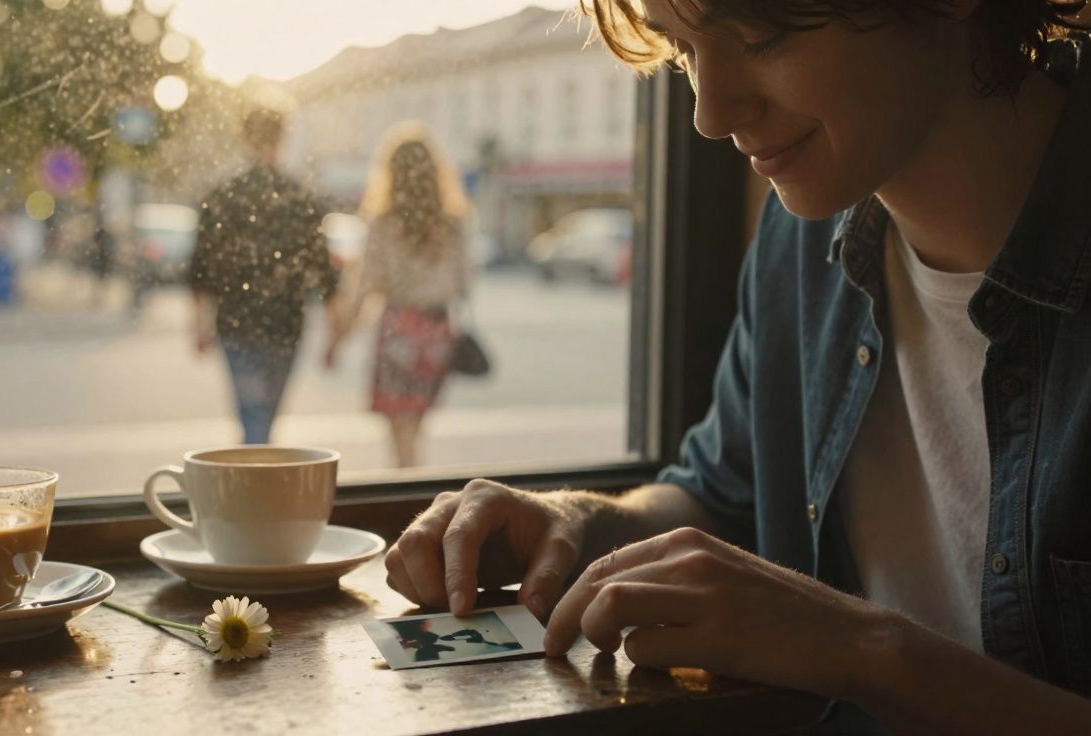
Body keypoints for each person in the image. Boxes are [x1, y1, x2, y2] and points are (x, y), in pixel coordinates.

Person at [384, 1, 1091, 732]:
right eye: (683, 51)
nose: (710, 114)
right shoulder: (801, 237)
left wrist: (865, 650)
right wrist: (575, 524)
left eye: (765, 35)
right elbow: (724, 499)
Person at [324, 123, 471, 468]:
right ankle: (414, 488)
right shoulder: (454, 222)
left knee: (400, 436)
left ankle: (409, 501)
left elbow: (362, 289)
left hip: (398, 331)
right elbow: (464, 283)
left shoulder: (384, 222)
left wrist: (337, 339)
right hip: (437, 332)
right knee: (415, 429)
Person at [189, 107, 337, 445]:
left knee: (252, 414)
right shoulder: (300, 196)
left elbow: (201, 269)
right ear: (282, 138)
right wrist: (335, 334)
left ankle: (253, 474)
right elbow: (324, 272)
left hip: (236, 321)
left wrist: (199, 324)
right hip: (286, 321)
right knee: (266, 414)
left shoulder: (222, 194)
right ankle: (259, 473)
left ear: (244, 136)